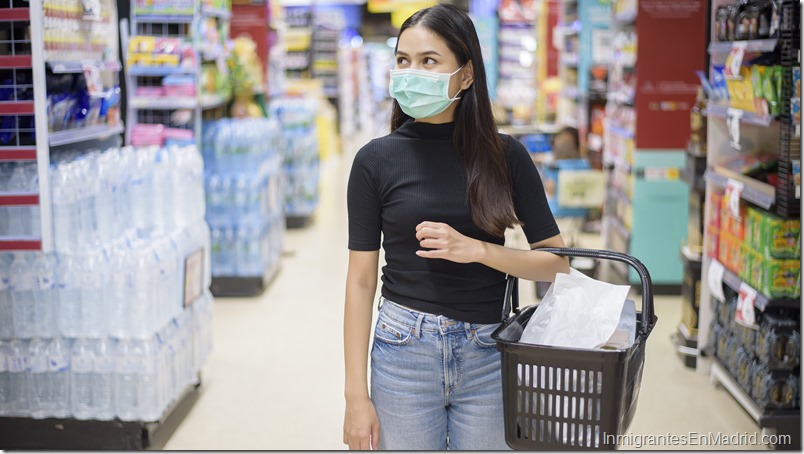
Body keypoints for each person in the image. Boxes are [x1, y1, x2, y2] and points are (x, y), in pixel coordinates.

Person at [343, 4, 569, 450]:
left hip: (488, 352)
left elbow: (557, 265)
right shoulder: (374, 161)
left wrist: (480, 250)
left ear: (465, 75)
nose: (411, 72)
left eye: (429, 61)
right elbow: (360, 281)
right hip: (402, 351)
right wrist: (355, 396)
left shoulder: (507, 157)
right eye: (403, 61)